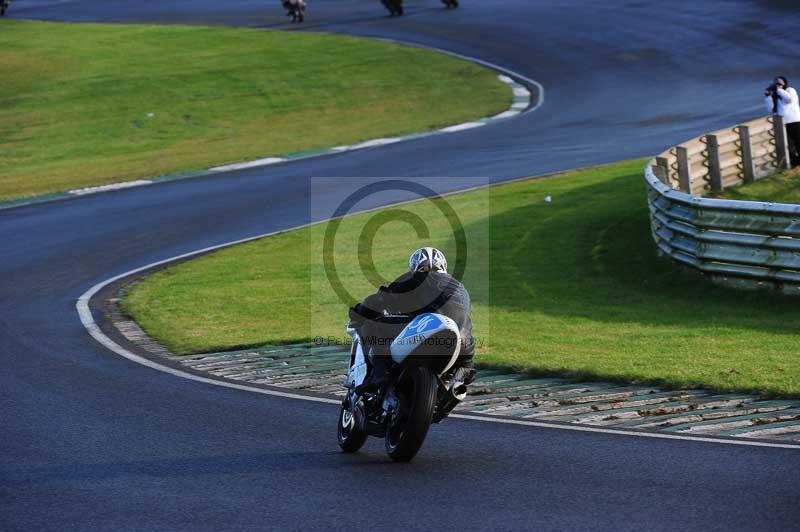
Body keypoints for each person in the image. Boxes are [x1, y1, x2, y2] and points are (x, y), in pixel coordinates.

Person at [350, 247, 476, 394]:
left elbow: (380, 299)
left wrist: (358, 311)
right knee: (467, 366)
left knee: (373, 325)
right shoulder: (461, 288)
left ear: (416, 266)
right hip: (465, 341)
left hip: (430, 325)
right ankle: (449, 386)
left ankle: (378, 374)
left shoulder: (416, 277)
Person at [765, 76, 800, 167]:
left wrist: (779, 90)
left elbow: (789, 100)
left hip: (795, 121)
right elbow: (770, 110)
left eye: (780, 83)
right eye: (776, 84)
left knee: (798, 142)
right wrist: (768, 97)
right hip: (783, 123)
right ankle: (795, 163)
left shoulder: (790, 90)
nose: (778, 85)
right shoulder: (775, 96)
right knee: (788, 145)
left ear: (785, 83)